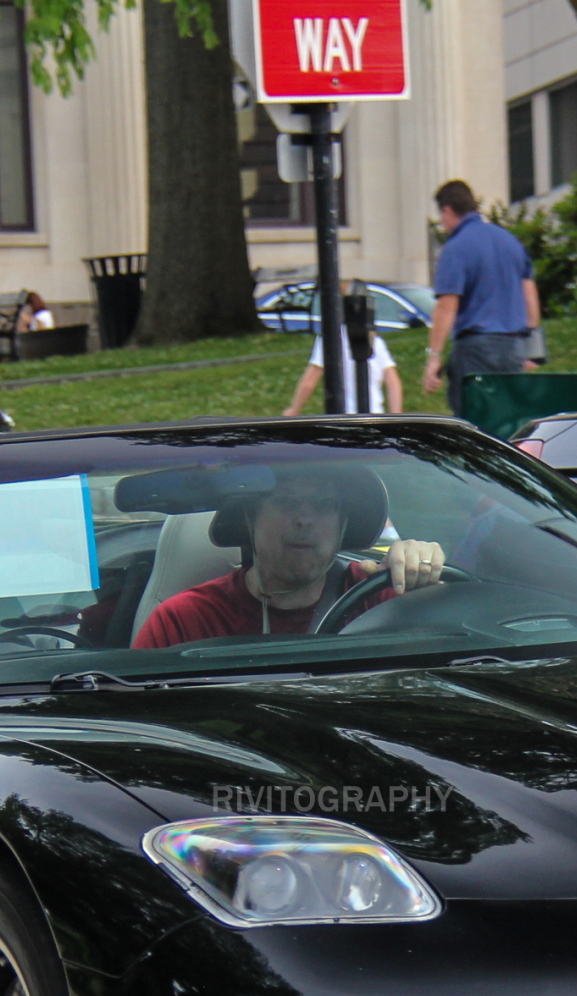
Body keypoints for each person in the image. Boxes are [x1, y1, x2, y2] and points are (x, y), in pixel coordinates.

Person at [135, 469, 445, 648]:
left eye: (324, 504)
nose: (305, 519)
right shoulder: (183, 622)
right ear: (250, 519)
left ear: (343, 525)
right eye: (286, 502)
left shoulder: (385, 599)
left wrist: (427, 582)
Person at [422, 180, 542, 414]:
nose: (442, 223)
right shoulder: (510, 241)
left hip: (476, 348)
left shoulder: (456, 247)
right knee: (508, 418)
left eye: (441, 215)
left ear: (448, 210)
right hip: (514, 348)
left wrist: (434, 357)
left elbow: (447, 306)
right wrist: (532, 349)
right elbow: (530, 295)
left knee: (475, 421)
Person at [283, 322, 404, 416]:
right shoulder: (375, 341)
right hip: (375, 413)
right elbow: (393, 382)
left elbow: (310, 379)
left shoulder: (330, 339)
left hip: (343, 415)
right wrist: (396, 415)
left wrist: (295, 409)